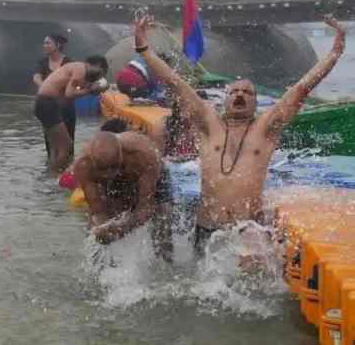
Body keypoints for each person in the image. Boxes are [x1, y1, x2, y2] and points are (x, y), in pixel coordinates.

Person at [132, 15, 346, 254]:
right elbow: (175, 82)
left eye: (247, 92)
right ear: (225, 98)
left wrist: (334, 54)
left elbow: (301, 89)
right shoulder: (208, 124)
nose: (240, 95)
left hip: (248, 228)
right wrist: (143, 49)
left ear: (255, 102)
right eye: (235, 91)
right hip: (207, 227)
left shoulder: (265, 129)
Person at [73, 125, 172, 260]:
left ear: (122, 154)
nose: (109, 174)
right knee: (96, 231)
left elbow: (145, 208)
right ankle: (99, 271)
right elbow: (98, 211)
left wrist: (123, 228)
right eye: (103, 169)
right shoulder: (83, 166)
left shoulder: (142, 155)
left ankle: (165, 266)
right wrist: (103, 229)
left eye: (114, 167)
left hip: (153, 175)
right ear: (92, 161)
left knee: (163, 216)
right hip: (121, 179)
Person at [35, 56, 110, 171]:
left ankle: (49, 177)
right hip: (47, 103)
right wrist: (90, 90)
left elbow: (71, 91)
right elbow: (69, 93)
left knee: (55, 148)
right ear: (98, 66)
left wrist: (91, 88)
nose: (99, 78)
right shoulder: (81, 70)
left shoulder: (77, 68)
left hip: (44, 103)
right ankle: (56, 179)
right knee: (67, 145)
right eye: (101, 74)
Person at [33, 35, 75, 156]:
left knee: (68, 142)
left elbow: (72, 82)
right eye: (44, 43)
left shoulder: (68, 62)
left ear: (58, 45)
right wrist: (46, 88)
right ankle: (51, 170)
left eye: (48, 43)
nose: (45, 46)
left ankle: (66, 171)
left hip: (66, 107)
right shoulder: (43, 61)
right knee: (50, 143)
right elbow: (36, 77)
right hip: (48, 107)